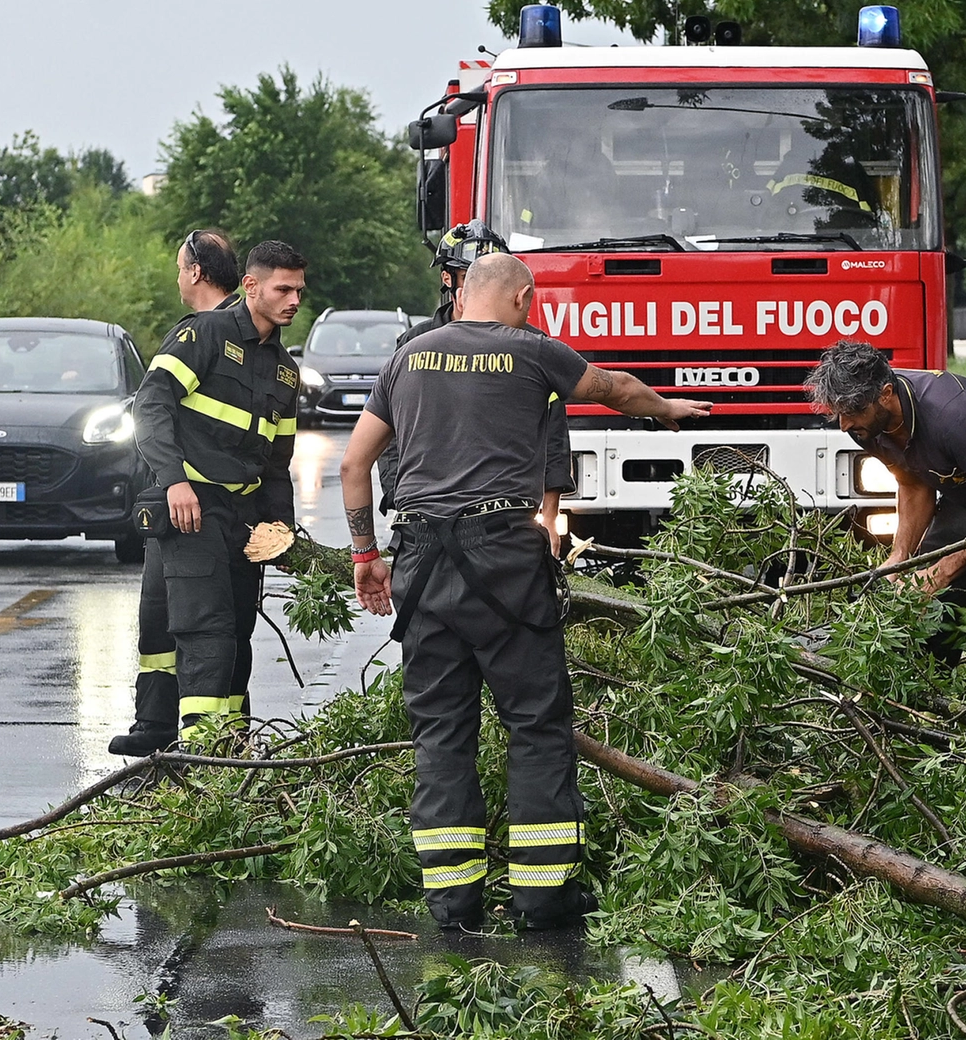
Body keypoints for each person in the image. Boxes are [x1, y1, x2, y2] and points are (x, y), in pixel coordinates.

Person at [340, 253, 711, 932]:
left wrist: (366, 553)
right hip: (504, 557)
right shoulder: (532, 351)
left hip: (420, 560)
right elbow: (616, 388)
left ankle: (453, 905)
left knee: (442, 735)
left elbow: (354, 461)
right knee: (536, 729)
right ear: (521, 296)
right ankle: (543, 902)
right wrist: (666, 408)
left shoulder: (408, 359)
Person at [119, 240, 305, 753]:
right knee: (206, 628)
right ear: (251, 286)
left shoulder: (285, 371)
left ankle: (231, 745)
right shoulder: (205, 334)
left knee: (237, 631)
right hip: (191, 506)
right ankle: (202, 757)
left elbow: (276, 462)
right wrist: (174, 480)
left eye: (298, 291)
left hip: (242, 518)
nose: (293, 300)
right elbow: (151, 405)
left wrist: (281, 529)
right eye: (283, 289)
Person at [806, 340, 966, 664]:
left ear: (885, 394)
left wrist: (944, 569)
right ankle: (934, 704)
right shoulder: (864, 424)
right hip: (964, 494)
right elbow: (912, 482)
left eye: (851, 412)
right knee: (924, 612)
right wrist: (900, 555)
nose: (844, 424)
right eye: (839, 413)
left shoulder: (952, 416)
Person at [109, 229, 247, 756]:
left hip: (196, 505)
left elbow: (150, 407)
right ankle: (155, 722)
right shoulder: (229, 333)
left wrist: (174, 480)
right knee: (158, 621)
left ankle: (208, 744)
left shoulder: (204, 333)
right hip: (176, 508)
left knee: (201, 627)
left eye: (178, 267)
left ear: (195, 272)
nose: (176, 276)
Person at [382, 222, 575, 554]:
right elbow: (388, 436)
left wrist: (550, 516)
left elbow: (552, 435)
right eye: (470, 273)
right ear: (448, 278)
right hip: (426, 520)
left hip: (504, 525)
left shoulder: (531, 347)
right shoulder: (414, 344)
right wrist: (402, 501)